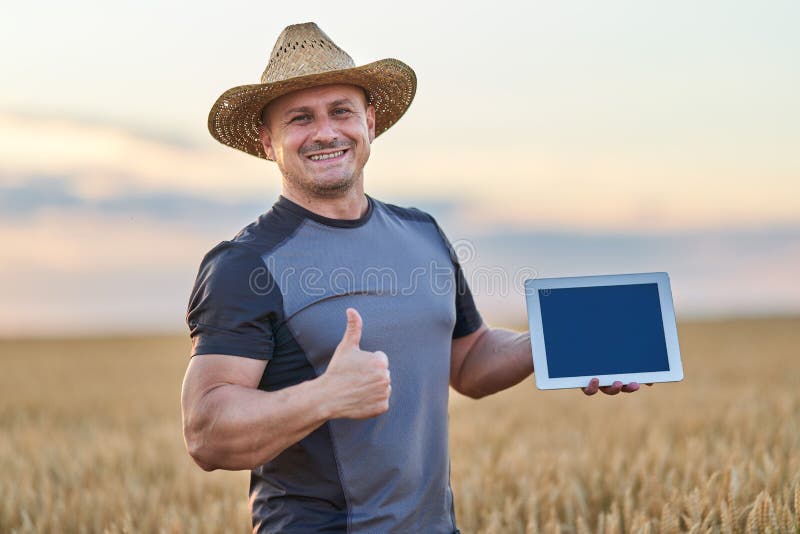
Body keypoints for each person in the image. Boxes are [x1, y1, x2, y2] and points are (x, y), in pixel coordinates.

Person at [181, 22, 644, 534]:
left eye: (341, 111)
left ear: (370, 122)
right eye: (300, 118)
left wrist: (558, 343)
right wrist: (326, 396)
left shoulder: (423, 234)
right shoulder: (245, 264)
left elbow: (468, 361)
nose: (326, 132)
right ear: (269, 141)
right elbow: (207, 434)